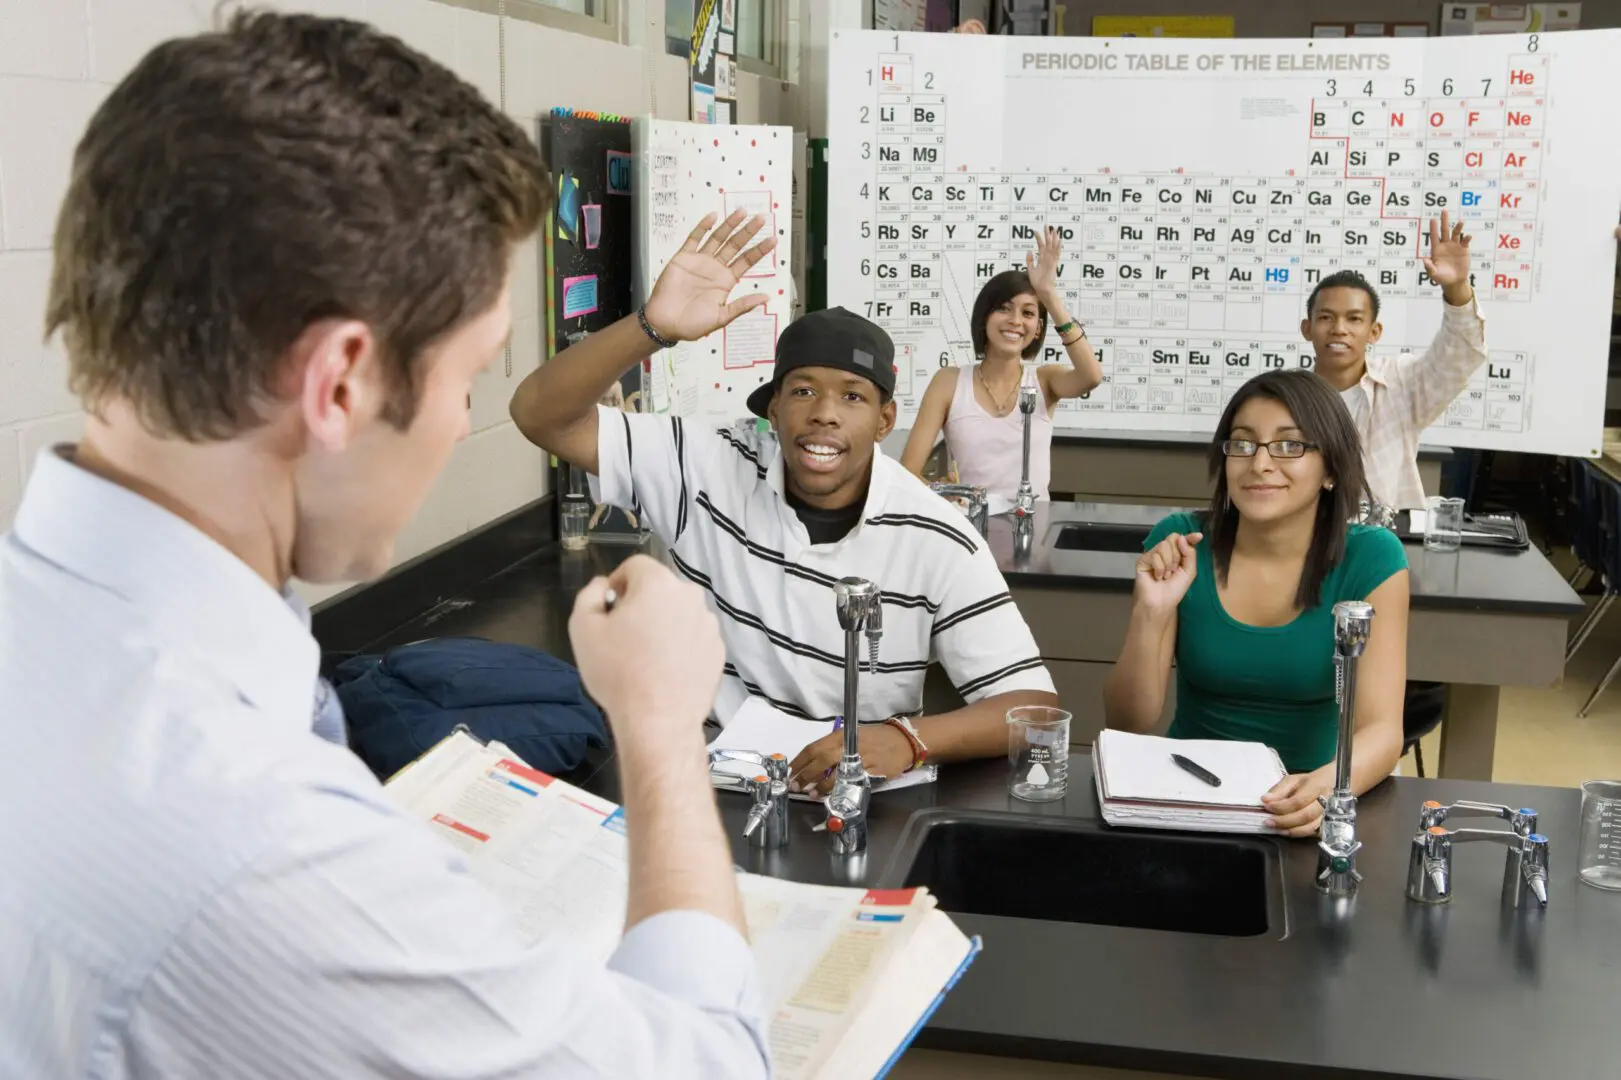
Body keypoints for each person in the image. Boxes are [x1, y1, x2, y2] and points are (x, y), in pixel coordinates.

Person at [0, 13, 767, 1077]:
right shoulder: (259, 846)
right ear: (341, 384)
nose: (461, 422)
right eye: (465, 376)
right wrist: (662, 722)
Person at [509, 226, 1059, 796]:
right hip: (704, 780)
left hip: (853, 791)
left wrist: (907, 739)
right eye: (802, 392)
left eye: (852, 396)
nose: (824, 413)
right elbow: (538, 415)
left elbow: (1031, 705)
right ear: (772, 409)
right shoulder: (705, 461)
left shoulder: (937, 535)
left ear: (884, 420)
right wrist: (651, 329)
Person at [1102, 369, 1409, 836]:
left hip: (1309, 803)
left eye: (1290, 445)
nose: (1260, 463)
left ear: (1330, 469)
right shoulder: (1181, 542)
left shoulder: (1372, 557)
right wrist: (1153, 612)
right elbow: (1128, 723)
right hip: (1186, 799)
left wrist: (1326, 789)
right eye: (1243, 443)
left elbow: (1383, 731)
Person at [900, 227, 1103, 503]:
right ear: (984, 316)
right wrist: (944, 497)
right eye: (1003, 308)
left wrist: (1048, 294)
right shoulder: (948, 382)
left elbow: (1091, 376)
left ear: (1038, 327)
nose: (1016, 321)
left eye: (1028, 312)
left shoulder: (1045, 381)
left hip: (1034, 528)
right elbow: (908, 471)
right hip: (970, 528)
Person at [1301, 211, 1485, 510]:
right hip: (1303, 538)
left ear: (1374, 332)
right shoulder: (1286, 397)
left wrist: (1456, 288)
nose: (1339, 329)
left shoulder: (1401, 383)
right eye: (1325, 317)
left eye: (1354, 319)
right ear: (1307, 329)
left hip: (1386, 542)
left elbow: (1460, 354)